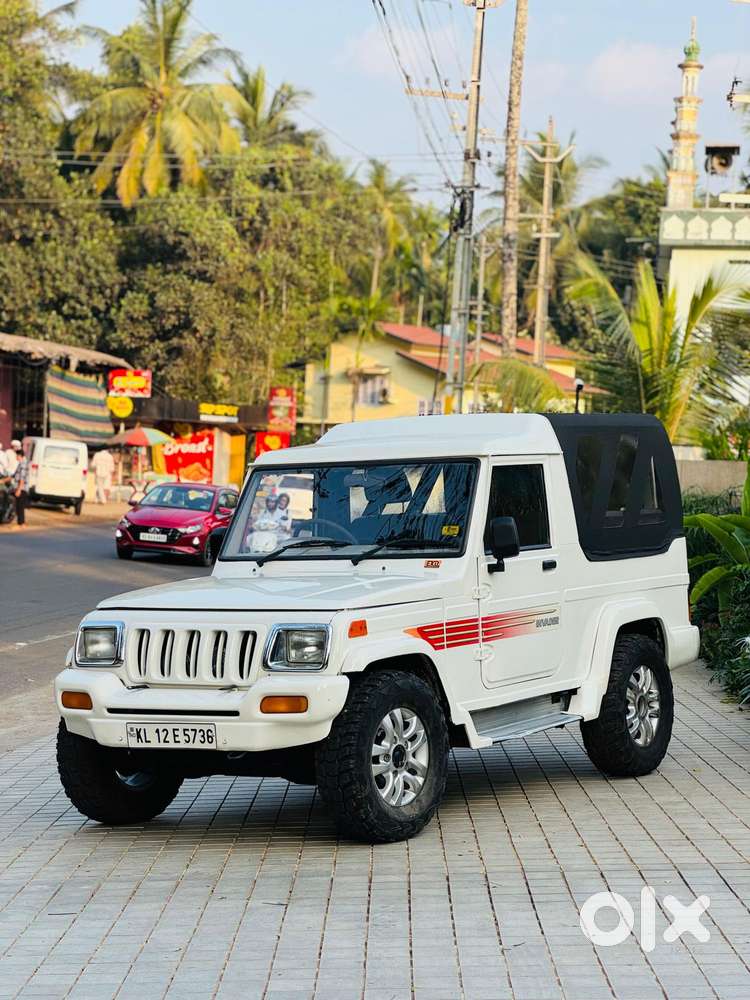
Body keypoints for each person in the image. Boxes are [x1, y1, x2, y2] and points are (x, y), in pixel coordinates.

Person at [11, 444, 29, 529]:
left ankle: (21, 524)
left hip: (22, 489)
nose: (16, 457)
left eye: (16, 455)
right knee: (18, 506)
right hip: (19, 488)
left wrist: (19, 490)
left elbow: (22, 479)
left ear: (20, 455)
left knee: (20, 507)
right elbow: (14, 475)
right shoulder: (20, 464)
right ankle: (20, 523)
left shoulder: (23, 465)